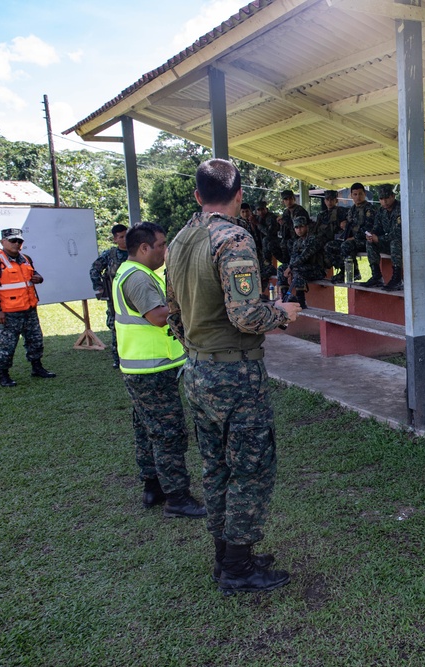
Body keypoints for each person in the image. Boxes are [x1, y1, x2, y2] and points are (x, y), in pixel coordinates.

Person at [166, 159, 301, 593]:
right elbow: (245, 315)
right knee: (251, 468)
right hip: (235, 376)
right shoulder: (233, 237)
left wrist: (197, 347)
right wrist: (283, 313)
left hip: (197, 369)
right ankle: (239, 569)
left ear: (197, 195)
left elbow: (173, 313)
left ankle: (227, 556)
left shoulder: (181, 239)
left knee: (216, 466)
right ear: (239, 195)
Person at [112, 222, 206, 518]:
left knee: (146, 429)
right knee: (168, 433)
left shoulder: (132, 272)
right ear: (144, 248)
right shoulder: (138, 278)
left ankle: (153, 487)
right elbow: (157, 316)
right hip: (151, 370)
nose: (165, 251)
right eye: (162, 245)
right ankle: (177, 498)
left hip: (142, 367)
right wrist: (188, 305)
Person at [0, 227, 56, 387]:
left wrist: (39, 278)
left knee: (35, 340)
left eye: (19, 241)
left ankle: (37, 368)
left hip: (29, 310)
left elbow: (34, 276)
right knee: (6, 346)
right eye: (13, 241)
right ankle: (3, 375)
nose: (17, 244)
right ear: (3, 242)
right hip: (9, 313)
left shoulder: (25, 259)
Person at [89, 223, 129, 367]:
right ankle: (117, 358)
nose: (125, 239)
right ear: (115, 239)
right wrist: (99, 288)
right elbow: (94, 269)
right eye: (121, 237)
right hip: (115, 298)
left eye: (127, 235)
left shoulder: (137, 252)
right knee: (116, 325)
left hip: (134, 296)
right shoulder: (110, 255)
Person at [330, 182, 375, 283]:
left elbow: (369, 229)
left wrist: (355, 238)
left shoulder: (369, 209)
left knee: (346, 245)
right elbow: (350, 227)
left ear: (365, 194)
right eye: (355, 194)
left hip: (365, 241)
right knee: (330, 245)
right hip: (351, 240)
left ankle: (355, 273)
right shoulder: (352, 210)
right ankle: (342, 272)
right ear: (351, 196)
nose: (358, 197)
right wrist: (344, 226)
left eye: (360, 194)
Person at [364, 184, 404, 291]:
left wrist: (380, 239)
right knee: (370, 243)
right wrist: (371, 235)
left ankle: (397, 279)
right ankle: (376, 275)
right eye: (381, 199)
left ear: (393, 196)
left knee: (395, 242)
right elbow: (377, 227)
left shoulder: (401, 209)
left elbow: (398, 233)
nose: (384, 201)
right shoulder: (381, 211)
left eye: (387, 198)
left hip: (403, 244)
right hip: (388, 243)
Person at [278, 216, 325, 308]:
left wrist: (291, 268)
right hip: (301, 269)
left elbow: (304, 256)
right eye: (296, 227)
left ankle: (301, 301)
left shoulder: (314, 239)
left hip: (316, 270)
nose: (299, 230)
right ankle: (285, 297)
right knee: (281, 268)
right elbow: (293, 257)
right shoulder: (297, 242)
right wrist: (290, 271)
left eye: (301, 227)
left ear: (306, 227)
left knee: (297, 270)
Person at [314, 190, 347, 276]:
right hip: (323, 239)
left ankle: (342, 270)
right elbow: (316, 229)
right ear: (324, 201)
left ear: (336, 200)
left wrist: (345, 224)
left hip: (337, 240)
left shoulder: (342, 212)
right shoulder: (321, 215)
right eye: (327, 199)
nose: (329, 202)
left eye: (332, 199)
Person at [276, 190, 308, 266]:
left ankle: (292, 265)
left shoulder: (299, 210)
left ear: (294, 199)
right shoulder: (286, 212)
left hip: (301, 237)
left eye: (290, 198)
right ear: (283, 201)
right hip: (289, 238)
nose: (289, 201)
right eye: (286, 199)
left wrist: (285, 223)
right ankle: (287, 264)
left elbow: (299, 228)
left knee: (290, 243)